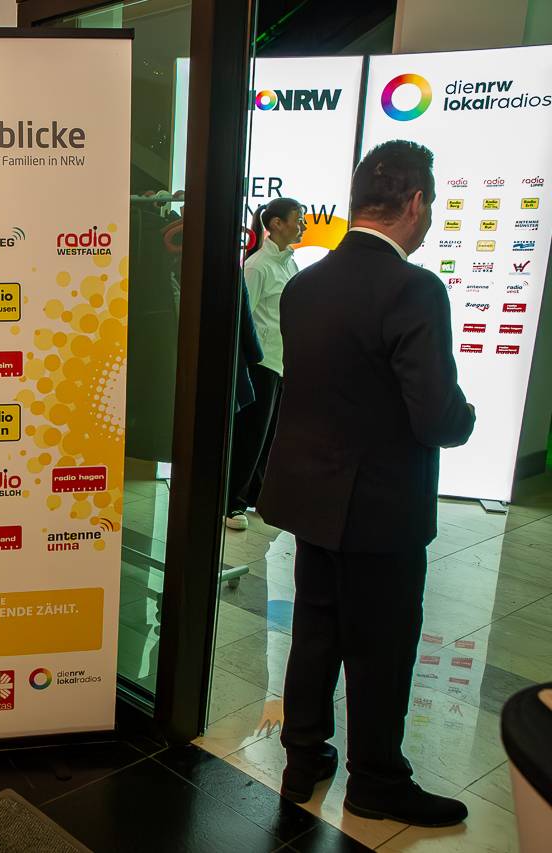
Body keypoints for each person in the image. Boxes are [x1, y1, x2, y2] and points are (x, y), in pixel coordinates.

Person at [257, 140, 475, 827]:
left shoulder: (305, 284)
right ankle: (377, 781)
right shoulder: (415, 289)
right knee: (382, 647)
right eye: (430, 204)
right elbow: (436, 416)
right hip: (382, 508)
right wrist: (467, 416)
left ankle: (303, 758)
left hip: (313, 501)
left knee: (316, 629)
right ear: (415, 203)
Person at [224, 197, 305, 531]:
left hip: (281, 362)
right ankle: (232, 503)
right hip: (260, 364)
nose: (302, 226)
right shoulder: (257, 267)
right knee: (251, 436)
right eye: (298, 219)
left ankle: (256, 494)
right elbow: (243, 319)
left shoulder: (290, 264)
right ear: (276, 224)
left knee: (269, 437)